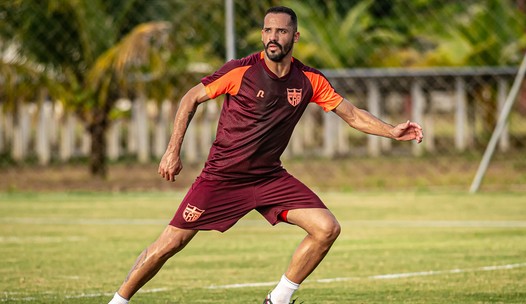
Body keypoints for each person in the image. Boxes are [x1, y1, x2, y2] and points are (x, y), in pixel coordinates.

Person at [108, 6, 423, 304]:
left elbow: (352, 114)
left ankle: (279, 298)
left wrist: (391, 131)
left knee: (326, 228)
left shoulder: (309, 80)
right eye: (268, 30)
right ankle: (118, 300)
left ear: (294, 37)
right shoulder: (241, 71)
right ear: (262, 35)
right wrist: (171, 151)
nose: (274, 37)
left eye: (282, 31)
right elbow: (191, 98)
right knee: (170, 244)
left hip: (269, 178)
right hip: (223, 177)